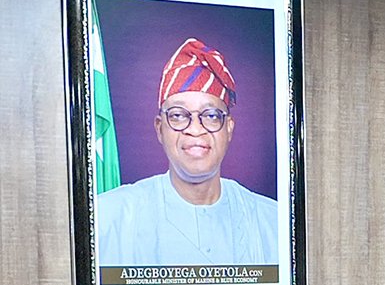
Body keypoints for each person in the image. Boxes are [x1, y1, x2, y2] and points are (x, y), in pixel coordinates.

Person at [96, 38, 278, 266]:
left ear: (229, 128)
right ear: (159, 128)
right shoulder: (106, 219)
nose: (194, 129)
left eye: (211, 115)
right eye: (179, 115)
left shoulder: (274, 223)